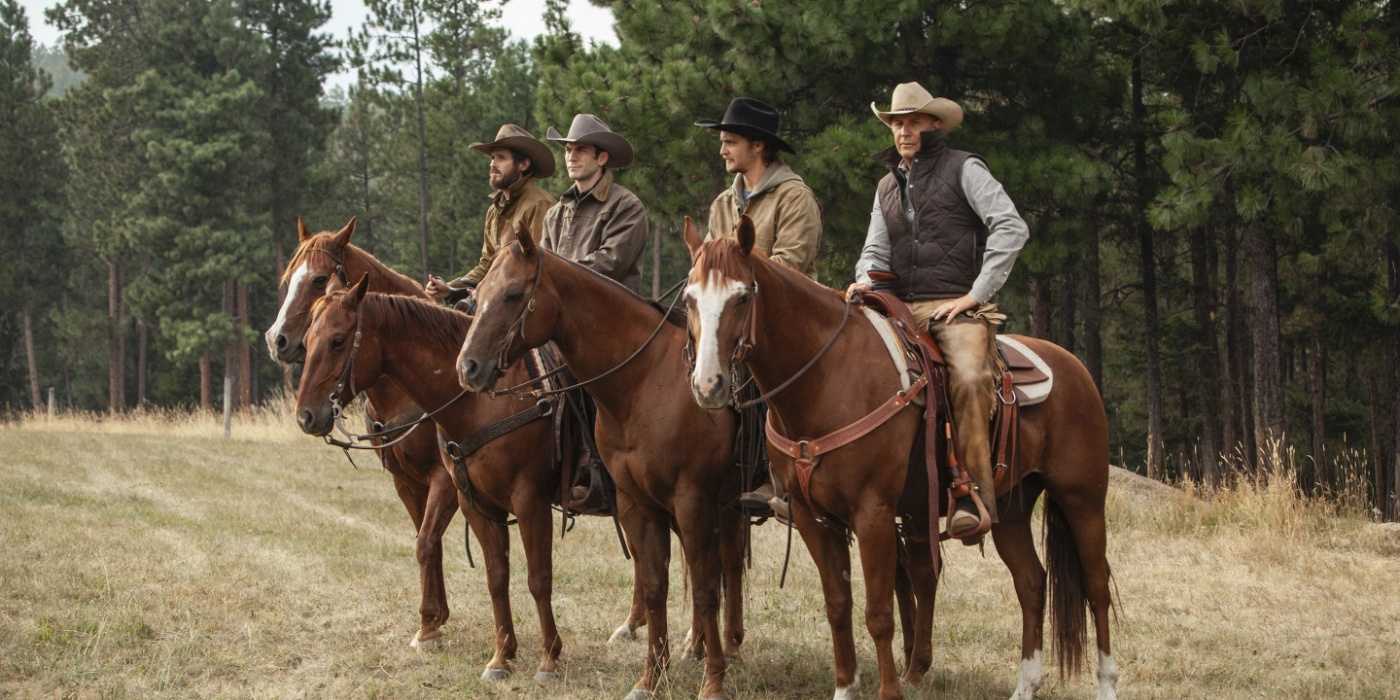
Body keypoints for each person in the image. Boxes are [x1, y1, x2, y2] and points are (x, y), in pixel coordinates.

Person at [847, 81, 1030, 539]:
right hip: (898, 307)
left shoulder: (964, 168)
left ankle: (973, 495)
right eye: (896, 123)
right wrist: (865, 281)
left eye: (912, 122)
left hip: (955, 306)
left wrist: (975, 294)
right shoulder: (887, 185)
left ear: (934, 124)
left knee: (969, 378)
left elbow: (1011, 227)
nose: (903, 131)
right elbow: (875, 249)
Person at [695, 97, 823, 520]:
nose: (722, 150)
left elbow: (794, 265)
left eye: (730, 141)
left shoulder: (794, 197)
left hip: (786, 321)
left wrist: (740, 277)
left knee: (756, 372)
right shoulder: (722, 204)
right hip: (732, 316)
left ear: (759, 146)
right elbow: (711, 266)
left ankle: (775, 477)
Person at [426, 124, 555, 306]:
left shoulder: (539, 204)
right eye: (492, 158)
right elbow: (487, 265)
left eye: (501, 158)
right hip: (497, 300)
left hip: (524, 307)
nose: (492, 164)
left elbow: (538, 269)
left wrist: (478, 292)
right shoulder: (495, 210)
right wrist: (449, 288)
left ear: (523, 165)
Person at [540, 114, 649, 293]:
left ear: (602, 158)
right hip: (562, 315)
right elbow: (543, 265)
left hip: (610, 315)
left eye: (580, 150)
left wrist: (556, 274)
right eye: (568, 149)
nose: (571, 157)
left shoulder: (627, 207)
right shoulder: (554, 214)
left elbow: (610, 264)